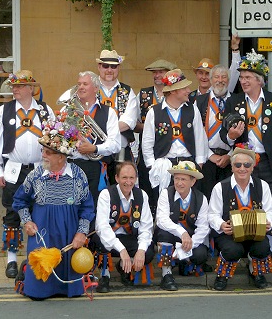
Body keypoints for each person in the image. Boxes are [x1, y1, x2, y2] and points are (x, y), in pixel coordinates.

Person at [220, 49, 272, 269]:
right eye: (241, 78)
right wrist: (230, 136)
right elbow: (225, 134)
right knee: (246, 204)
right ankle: (247, 250)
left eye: (248, 78)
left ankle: (268, 251)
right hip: (243, 163)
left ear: (259, 80)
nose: (243, 81)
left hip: (268, 162)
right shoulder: (233, 101)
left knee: (270, 205)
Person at [12, 118, 95, 300]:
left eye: (48, 152)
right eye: (43, 151)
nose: (43, 155)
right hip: (42, 233)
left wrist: (82, 233)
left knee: (70, 290)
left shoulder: (78, 175)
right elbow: (19, 200)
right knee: (38, 291)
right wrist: (26, 220)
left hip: (69, 234)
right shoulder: (35, 175)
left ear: (61, 156)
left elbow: (87, 207)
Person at [0, 70, 54, 278]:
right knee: (12, 215)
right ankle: (10, 260)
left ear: (30, 89)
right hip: (14, 171)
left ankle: (36, 257)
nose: (14, 89)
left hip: (39, 170)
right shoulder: (4, 111)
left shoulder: (45, 111)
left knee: (40, 214)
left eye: (18, 86)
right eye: (13, 86)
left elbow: (54, 140)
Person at [208, 145, 272, 291]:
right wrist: (221, 225)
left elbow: (270, 209)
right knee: (232, 250)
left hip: (254, 233)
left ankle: (255, 271)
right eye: (238, 165)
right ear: (232, 167)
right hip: (230, 234)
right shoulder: (220, 187)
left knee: (263, 247)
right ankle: (222, 275)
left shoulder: (262, 185)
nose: (242, 168)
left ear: (252, 167)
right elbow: (212, 214)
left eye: (247, 165)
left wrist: (267, 221)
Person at [141, 68, 208, 213]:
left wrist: (200, 164)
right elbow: (147, 143)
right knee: (165, 204)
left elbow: (200, 138)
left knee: (189, 205)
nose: (189, 90)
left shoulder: (192, 110)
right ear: (173, 91)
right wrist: (152, 166)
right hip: (165, 166)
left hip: (188, 164)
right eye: (184, 88)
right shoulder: (154, 112)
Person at [94, 161, 155, 293]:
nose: (128, 182)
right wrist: (122, 250)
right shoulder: (106, 194)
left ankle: (124, 268)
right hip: (110, 239)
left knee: (148, 251)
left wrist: (140, 251)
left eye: (132, 178)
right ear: (116, 178)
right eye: (124, 177)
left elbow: (146, 227)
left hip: (129, 238)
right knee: (98, 242)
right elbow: (102, 227)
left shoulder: (141, 195)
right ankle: (105, 276)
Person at [65, 71, 121, 206]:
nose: (80, 87)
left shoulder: (109, 112)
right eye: (79, 84)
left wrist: (95, 148)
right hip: (71, 165)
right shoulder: (67, 111)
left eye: (85, 84)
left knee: (92, 206)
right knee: (70, 206)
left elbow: (115, 144)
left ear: (96, 88)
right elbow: (61, 138)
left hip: (95, 167)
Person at [155, 161, 210, 291]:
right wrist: (182, 233)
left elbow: (203, 228)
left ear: (193, 181)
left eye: (183, 179)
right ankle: (166, 273)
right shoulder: (165, 194)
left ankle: (185, 263)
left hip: (190, 240)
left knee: (200, 254)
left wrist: (190, 243)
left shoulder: (201, 199)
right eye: (177, 178)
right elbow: (161, 220)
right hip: (172, 236)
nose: (179, 183)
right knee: (163, 233)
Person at [136, 59, 177, 217]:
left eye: (161, 71)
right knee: (148, 189)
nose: (157, 75)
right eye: (155, 72)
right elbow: (134, 123)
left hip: (169, 151)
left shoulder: (176, 95)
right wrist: (151, 128)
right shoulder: (143, 94)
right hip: (148, 153)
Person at [96, 50, 138, 181]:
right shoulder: (91, 88)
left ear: (118, 68)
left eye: (113, 66)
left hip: (120, 152)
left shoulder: (128, 91)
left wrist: (99, 130)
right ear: (99, 67)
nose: (109, 70)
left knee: (121, 192)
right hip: (95, 151)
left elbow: (128, 122)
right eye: (105, 66)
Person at [195, 64, 235, 200]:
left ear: (228, 81)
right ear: (211, 80)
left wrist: (230, 155)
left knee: (228, 198)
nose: (220, 80)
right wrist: (210, 155)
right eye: (216, 77)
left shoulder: (237, 101)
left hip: (230, 159)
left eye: (224, 77)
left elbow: (243, 133)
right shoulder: (198, 101)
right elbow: (195, 133)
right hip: (207, 159)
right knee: (206, 198)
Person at [188, 35, 241, 103]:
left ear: (212, 77)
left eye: (207, 73)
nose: (204, 77)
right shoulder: (190, 97)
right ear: (196, 75)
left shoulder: (221, 89)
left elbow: (235, 70)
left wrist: (235, 48)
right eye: (201, 73)